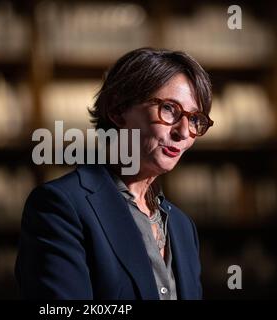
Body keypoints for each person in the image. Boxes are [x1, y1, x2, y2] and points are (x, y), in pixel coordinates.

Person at [15, 48, 213, 300]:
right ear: (118, 110)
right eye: (169, 109)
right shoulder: (61, 206)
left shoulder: (182, 226)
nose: (184, 132)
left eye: (195, 119)